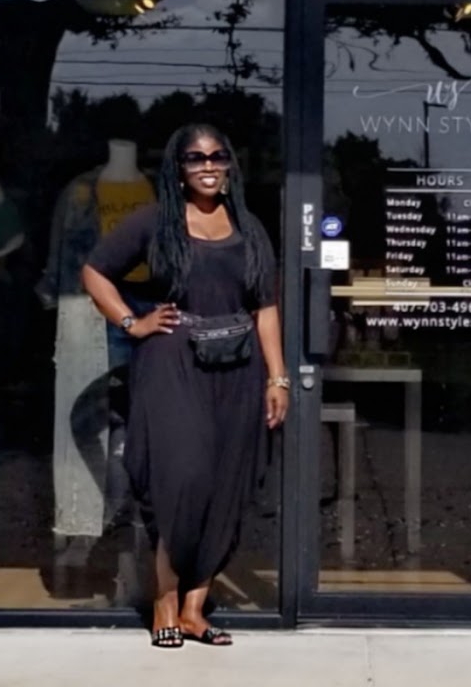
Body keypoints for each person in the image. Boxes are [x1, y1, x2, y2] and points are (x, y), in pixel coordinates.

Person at [81, 123, 287, 648]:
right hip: (173, 363)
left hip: (240, 369)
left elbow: (265, 307)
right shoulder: (156, 222)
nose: (208, 166)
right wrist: (133, 323)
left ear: (229, 164)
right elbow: (96, 272)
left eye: (217, 156)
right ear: (178, 169)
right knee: (185, 480)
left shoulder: (249, 227)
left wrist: (278, 377)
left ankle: (195, 610)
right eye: (196, 158)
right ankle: (165, 600)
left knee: (225, 486)